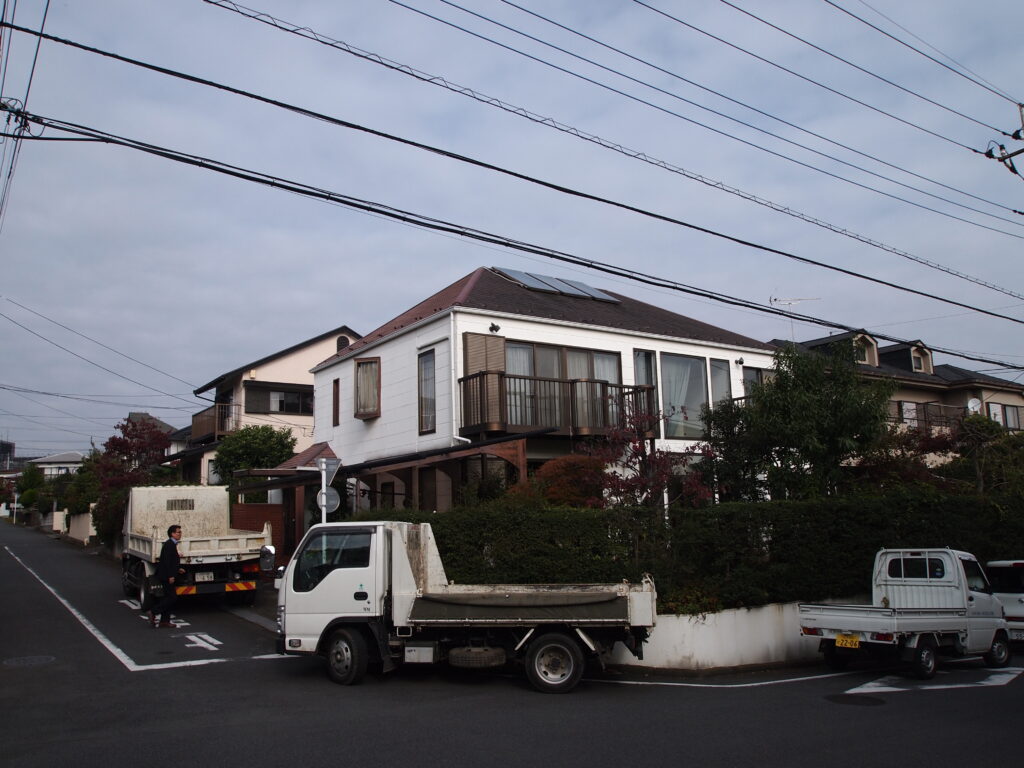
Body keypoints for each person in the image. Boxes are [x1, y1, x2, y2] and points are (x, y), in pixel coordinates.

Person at [149, 524, 185, 628]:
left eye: (180, 532)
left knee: (167, 597)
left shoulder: (171, 544)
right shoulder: (169, 545)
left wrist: (178, 569)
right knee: (172, 597)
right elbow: (166, 562)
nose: (180, 534)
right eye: (178, 532)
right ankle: (153, 612)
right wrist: (170, 576)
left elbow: (171, 561)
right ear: (172, 534)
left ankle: (164, 621)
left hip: (167, 574)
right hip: (166, 576)